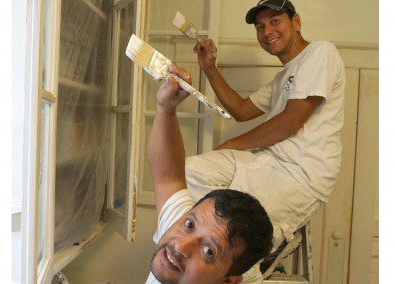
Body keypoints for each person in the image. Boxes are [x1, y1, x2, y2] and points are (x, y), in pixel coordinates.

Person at [187, 0, 345, 268]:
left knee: (236, 240)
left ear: (296, 22)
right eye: (260, 26)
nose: (267, 30)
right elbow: (241, 110)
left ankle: (244, 268)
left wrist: (231, 144)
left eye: (275, 21)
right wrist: (209, 69)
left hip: (300, 173)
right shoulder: (283, 77)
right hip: (266, 161)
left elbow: (290, 121)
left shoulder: (321, 52)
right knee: (193, 169)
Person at [146, 67, 273, 284]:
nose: (180, 247)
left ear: (228, 282)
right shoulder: (184, 227)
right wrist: (166, 107)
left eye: (208, 251)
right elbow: (168, 177)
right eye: (189, 225)